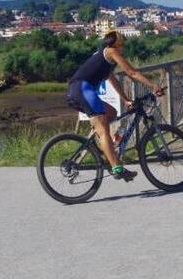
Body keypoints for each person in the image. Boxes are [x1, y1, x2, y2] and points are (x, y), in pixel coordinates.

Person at [67, 31, 164, 181]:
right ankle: (117, 167)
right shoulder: (111, 52)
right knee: (104, 129)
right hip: (82, 90)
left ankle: (101, 147)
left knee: (111, 112)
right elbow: (132, 72)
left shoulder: (104, 58)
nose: (123, 48)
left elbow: (113, 81)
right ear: (117, 44)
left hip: (77, 91)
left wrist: (126, 100)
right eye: (122, 44)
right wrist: (153, 86)